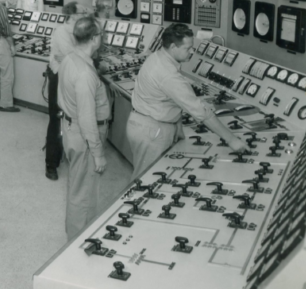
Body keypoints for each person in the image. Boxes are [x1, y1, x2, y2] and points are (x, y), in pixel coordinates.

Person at [127, 23, 247, 179]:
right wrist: (232, 140)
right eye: (187, 48)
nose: (191, 52)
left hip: (144, 122)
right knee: (146, 180)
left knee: (156, 177)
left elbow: (167, 84)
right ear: (173, 47)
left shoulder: (158, 56)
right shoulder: (168, 75)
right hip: (153, 132)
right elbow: (201, 113)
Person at [57, 16, 110, 239]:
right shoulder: (85, 74)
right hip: (85, 137)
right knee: (84, 195)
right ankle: (78, 244)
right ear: (95, 38)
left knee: (77, 187)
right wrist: (98, 154)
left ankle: (75, 235)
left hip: (70, 129)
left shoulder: (70, 58)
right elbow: (87, 118)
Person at [45, 2, 84, 180]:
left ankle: (69, 155)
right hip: (59, 77)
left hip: (74, 77)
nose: (85, 14)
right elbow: (72, 55)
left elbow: (79, 55)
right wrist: (76, 55)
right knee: (56, 118)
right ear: (72, 15)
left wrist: (75, 55)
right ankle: (51, 164)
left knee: (73, 118)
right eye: (82, 12)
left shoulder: (80, 31)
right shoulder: (62, 31)